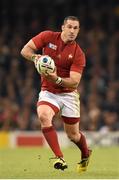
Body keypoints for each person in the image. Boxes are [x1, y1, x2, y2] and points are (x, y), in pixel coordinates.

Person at [21, 16, 92, 172]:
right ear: (62, 27)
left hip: (68, 95)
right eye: (70, 27)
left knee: (73, 136)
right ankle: (59, 157)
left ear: (78, 31)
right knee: (44, 116)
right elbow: (25, 50)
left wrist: (56, 79)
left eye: (76, 28)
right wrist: (35, 57)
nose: (72, 31)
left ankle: (86, 154)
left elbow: (74, 81)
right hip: (48, 92)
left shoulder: (78, 54)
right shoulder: (47, 36)